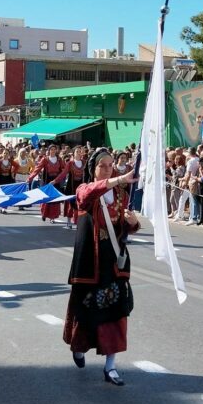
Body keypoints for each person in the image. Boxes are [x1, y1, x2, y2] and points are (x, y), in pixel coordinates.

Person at [62, 149, 138, 386]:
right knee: (86, 312)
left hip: (114, 262)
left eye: (110, 165)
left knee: (116, 313)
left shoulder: (120, 195)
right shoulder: (85, 189)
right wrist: (117, 179)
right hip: (89, 264)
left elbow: (125, 228)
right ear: (93, 169)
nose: (107, 168)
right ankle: (79, 348)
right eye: (102, 165)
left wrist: (133, 223)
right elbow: (85, 198)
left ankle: (110, 367)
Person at [30, 145, 66, 223]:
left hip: (56, 181)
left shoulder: (59, 160)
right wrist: (30, 178)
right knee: (46, 198)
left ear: (56, 151)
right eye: (51, 149)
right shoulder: (45, 159)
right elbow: (37, 169)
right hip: (47, 181)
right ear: (49, 150)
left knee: (54, 199)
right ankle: (44, 213)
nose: (53, 151)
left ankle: (52, 217)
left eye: (54, 149)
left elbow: (64, 170)